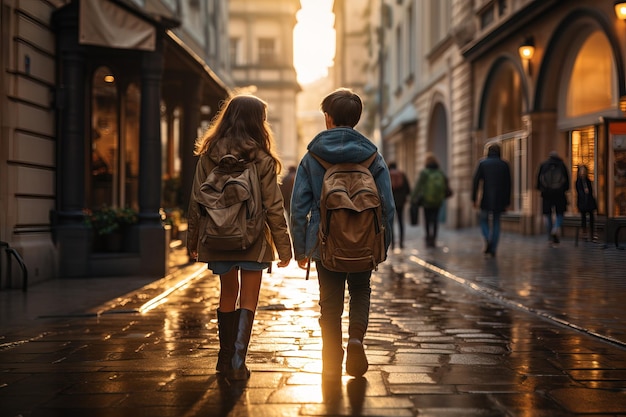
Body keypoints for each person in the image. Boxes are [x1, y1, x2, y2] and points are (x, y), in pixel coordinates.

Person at [290, 88, 394, 381]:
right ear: (356, 120)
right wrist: (383, 244)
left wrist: (301, 249)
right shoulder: (373, 157)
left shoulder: (312, 157)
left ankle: (331, 360)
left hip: (325, 242)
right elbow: (388, 205)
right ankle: (357, 339)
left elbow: (298, 208)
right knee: (361, 289)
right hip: (364, 242)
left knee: (330, 300)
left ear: (328, 118)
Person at [186, 94, 292, 381]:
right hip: (253, 237)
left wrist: (192, 242)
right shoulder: (262, 158)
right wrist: (284, 248)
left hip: (218, 236)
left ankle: (223, 358)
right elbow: (273, 206)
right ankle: (237, 359)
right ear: (257, 122)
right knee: (249, 296)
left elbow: (196, 201)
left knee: (227, 293)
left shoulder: (209, 155)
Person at [471, 144, 511, 257]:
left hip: (486, 197)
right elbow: (508, 185)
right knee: (496, 222)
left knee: (483, 220)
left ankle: (488, 237)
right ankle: (493, 248)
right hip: (500, 199)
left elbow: (475, 182)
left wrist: (474, 199)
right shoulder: (504, 165)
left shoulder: (482, 163)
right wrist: (507, 202)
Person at [410, 153, 449, 248]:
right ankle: (434, 239)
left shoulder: (424, 172)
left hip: (426, 200)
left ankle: (428, 238)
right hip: (438, 200)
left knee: (427, 220)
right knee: (435, 220)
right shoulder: (440, 172)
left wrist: (412, 198)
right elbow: (445, 184)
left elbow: (418, 186)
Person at [537, 150, 570, 245]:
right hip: (559, 194)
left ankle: (550, 236)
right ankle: (555, 229)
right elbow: (567, 182)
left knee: (547, 214)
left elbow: (538, 182)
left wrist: (542, 189)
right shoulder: (562, 165)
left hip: (547, 194)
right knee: (560, 213)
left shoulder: (543, 165)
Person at [388, 162, 411, 249]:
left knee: (391, 222)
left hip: (391, 201)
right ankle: (401, 242)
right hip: (401, 202)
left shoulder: (388, 174)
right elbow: (408, 189)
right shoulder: (402, 175)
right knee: (401, 221)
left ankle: (392, 243)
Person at [575, 164, 597, 241]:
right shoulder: (578, 181)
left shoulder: (588, 181)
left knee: (591, 218)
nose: (583, 173)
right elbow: (579, 191)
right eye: (582, 171)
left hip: (589, 201)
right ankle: (584, 234)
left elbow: (591, 191)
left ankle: (592, 234)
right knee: (583, 218)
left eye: (584, 171)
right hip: (582, 202)